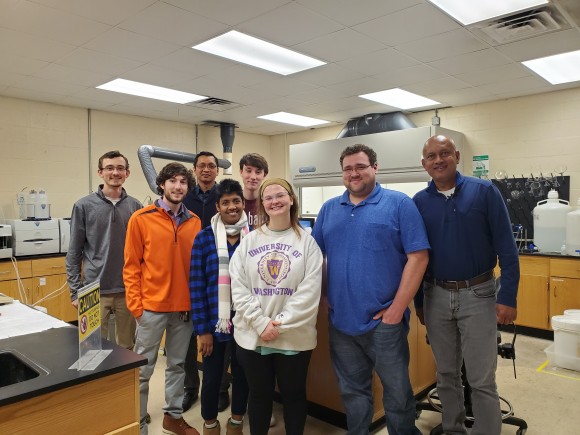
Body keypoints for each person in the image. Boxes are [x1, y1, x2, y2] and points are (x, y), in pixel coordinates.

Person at [312, 144, 429, 435]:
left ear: (375, 168)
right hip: (341, 323)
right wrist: (324, 294)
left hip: (384, 324)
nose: (354, 173)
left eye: (360, 166)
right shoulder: (329, 210)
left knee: (398, 394)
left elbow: (419, 256)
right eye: (348, 168)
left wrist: (397, 309)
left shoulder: (399, 204)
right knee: (353, 393)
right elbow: (316, 256)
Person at [413, 135, 519, 435]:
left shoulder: (484, 192)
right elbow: (419, 256)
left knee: (481, 377)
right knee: (446, 374)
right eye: (431, 156)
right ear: (424, 164)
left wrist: (508, 296)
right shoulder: (419, 202)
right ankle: (453, 429)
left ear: (457, 156)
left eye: (444, 153)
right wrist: (420, 302)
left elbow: (508, 250)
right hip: (435, 295)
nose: (438, 160)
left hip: (480, 293)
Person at [230, 178, 322, 435]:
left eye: (280, 195)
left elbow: (309, 292)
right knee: (259, 396)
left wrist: (278, 324)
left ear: (291, 199)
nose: (274, 201)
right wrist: (260, 323)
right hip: (253, 335)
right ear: (262, 204)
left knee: (293, 396)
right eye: (268, 198)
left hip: (292, 336)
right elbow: (238, 286)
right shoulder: (249, 241)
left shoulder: (307, 243)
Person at [124, 162, 201, 435]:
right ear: (162, 184)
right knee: (143, 371)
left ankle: (173, 416)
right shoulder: (141, 218)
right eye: (173, 181)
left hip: (184, 310)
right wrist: (137, 307)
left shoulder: (195, 222)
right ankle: (138, 421)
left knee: (177, 366)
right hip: (151, 309)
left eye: (183, 182)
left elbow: (196, 267)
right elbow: (131, 266)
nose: (178, 186)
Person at [190, 179, 250, 435]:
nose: (231, 206)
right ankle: (210, 423)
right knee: (213, 377)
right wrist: (202, 330)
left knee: (242, 374)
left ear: (243, 203)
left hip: (247, 320)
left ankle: (236, 420)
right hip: (215, 322)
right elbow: (196, 285)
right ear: (217, 206)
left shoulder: (255, 238)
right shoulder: (204, 239)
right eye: (225, 202)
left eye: (236, 200)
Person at [66, 150, 142, 349]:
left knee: (127, 349)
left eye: (120, 168)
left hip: (128, 289)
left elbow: (142, 252)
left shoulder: (136, 207)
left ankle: (122, 382)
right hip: (92, 289)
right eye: (109, 168)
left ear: (127, 173)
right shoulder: (83, 206)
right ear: (100, 172)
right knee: (91, 348)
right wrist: (75, 292)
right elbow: (74, 252)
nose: (115, 172)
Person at [182, 151, 220, 412]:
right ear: (194, 170)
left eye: (211, 166)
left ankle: (219, 389)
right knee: (187, 339)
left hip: (220, 277)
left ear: (217, 170)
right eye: (201, 166)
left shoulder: (225, 196)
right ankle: (190, 388)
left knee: (218, 337)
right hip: (189, 275)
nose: (206, 170)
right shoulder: (184, 198)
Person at [239, 153, 268, 228]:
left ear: (264, 175)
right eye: (248, 171)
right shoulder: (232, 203)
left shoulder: (269, 203)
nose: (253, 177)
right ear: (241, 172)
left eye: (258, 172)